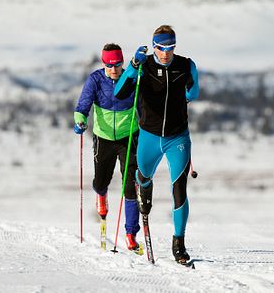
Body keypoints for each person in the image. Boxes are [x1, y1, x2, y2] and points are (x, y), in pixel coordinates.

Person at [114, 25, 199, 264]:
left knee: (179, 188)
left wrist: (188, 88)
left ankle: (179, 244)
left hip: (177, 138)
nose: (166, 53)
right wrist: (132, 66)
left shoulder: (185, 65)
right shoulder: (143, 66)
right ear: (154, 47)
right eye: (161, 48)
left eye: (170, 48)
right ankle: (145, 192)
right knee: (143, 177)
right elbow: (119, 94)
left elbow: (193, 93)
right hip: (149, 136)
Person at [74, 43, 141, 252]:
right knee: (101, 180)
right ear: (104, 64)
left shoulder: (131, 79)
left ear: (123, 63)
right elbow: (83, 104)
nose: (114, 70)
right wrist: (80, 119)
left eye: (118, 65)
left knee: (131, 185)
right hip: (103, 138)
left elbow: (144, 107)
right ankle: (101, 195)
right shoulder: (95, 79)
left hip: (128, 137)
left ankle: (131, 233)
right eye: (109, 65)